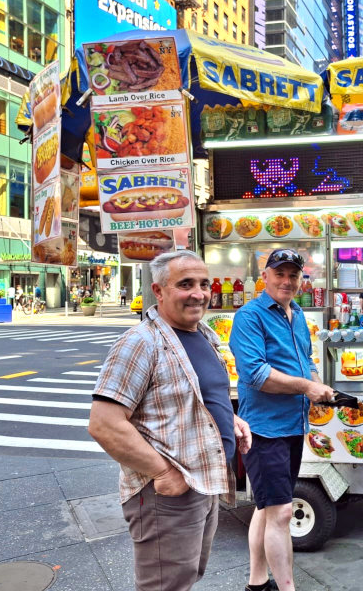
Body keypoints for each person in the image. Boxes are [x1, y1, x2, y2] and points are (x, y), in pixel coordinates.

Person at [88, 250, 252, 591]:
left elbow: (197, 397)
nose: (199, 294)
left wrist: (230, 419)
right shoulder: (140, 342)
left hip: (204, 482)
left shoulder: (202, 334)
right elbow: (104, 424)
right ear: (159, 291)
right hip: (167, 493)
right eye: (186, 284)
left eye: (204, 284)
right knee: (165, 586)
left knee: (185, 578)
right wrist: (163, 473)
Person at [230, 248, 334, 591]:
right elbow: (256, 374)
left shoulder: (298, 313)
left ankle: (257, 583)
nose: (287, 281)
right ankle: (287, 587)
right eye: (280, 274)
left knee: (267, 507)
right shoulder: (249, 316)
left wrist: (317, 385)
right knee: (282, 512)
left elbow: (306, 359)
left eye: (293, 275)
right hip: (263, 429)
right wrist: (306, 387)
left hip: (292, 425)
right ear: (265, 277)